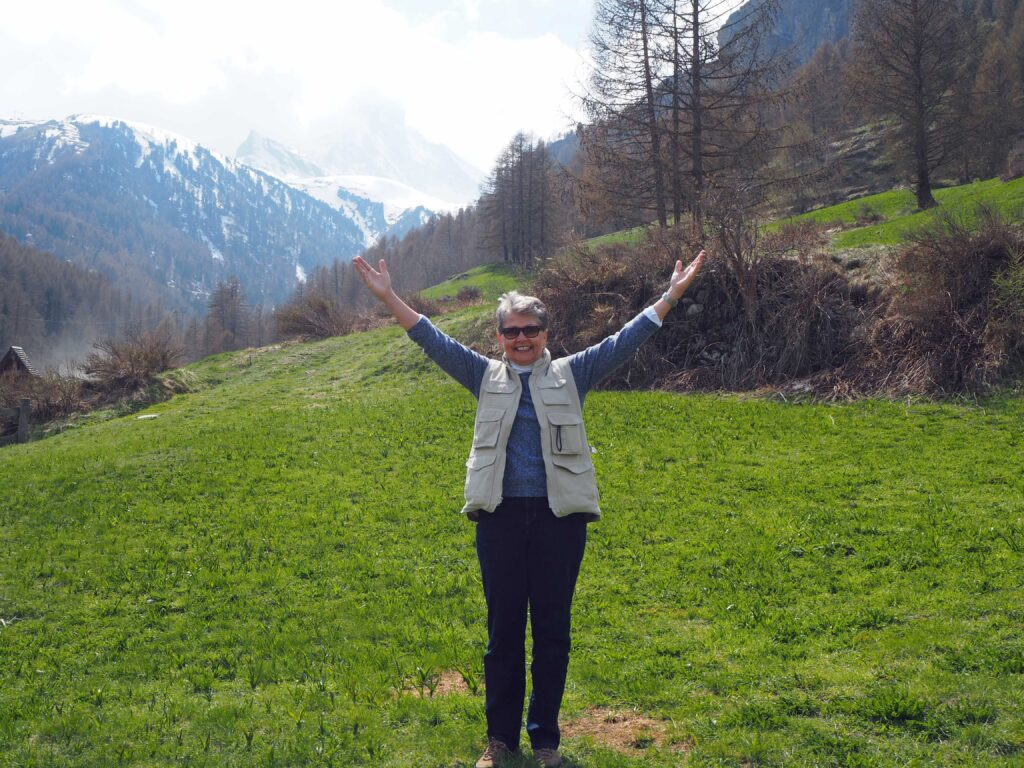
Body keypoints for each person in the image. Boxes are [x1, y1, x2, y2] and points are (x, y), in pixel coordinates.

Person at [353, 251, 704, 767]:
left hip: (559, 522)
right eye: (511, 331)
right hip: (499, 520)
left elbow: (627, 339)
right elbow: (430, 338)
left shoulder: (573, 373)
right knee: (503, 636)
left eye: (531, 329)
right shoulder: (481, 375)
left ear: (545, 332)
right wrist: (387, 297)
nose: (521, 339)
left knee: (553, 634)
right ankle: (500, 742)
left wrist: (671, 294)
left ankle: (545, 742)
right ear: (498, 338)